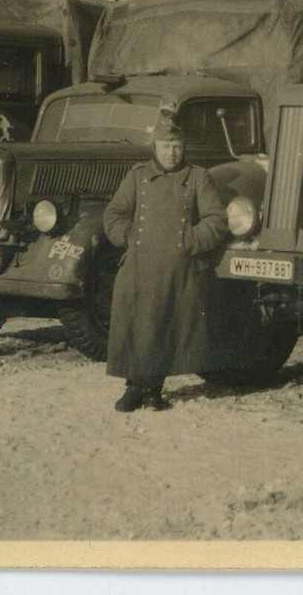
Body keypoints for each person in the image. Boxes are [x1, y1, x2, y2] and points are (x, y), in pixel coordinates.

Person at [103, 104, 229, 412]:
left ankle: (154, 390)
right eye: (165, 146)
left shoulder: (197, 178)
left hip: (178, 268)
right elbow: (113, 215)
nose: (171, 153)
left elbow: (217, 220)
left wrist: (188, 241)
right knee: (136, 323)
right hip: (139, 265)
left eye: (177, 146)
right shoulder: (137, 177)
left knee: (165, 325)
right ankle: (133, 388)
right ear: (155, 147)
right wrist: (130, 236)